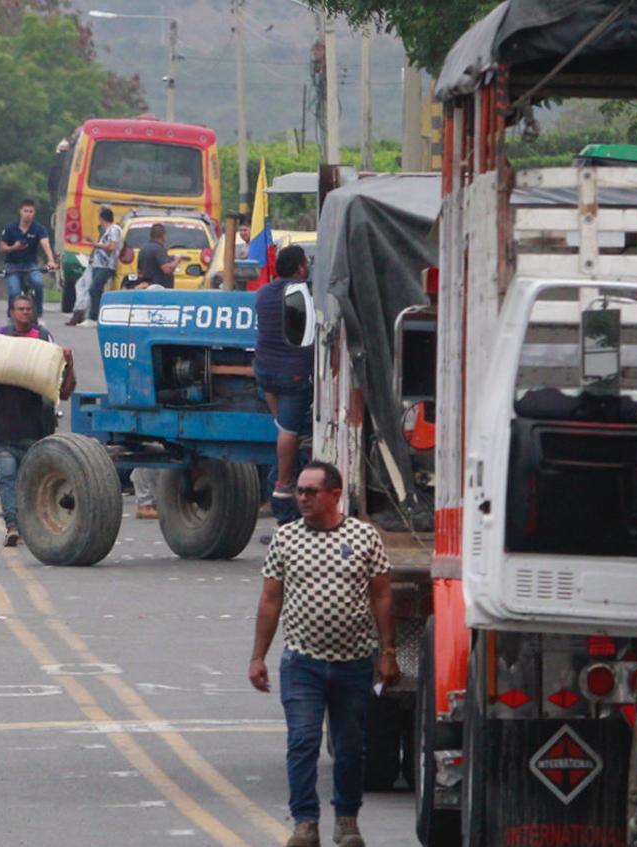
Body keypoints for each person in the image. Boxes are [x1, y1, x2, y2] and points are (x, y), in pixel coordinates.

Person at [248, 461, 396, 847]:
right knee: (302, 740)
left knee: (350, 746)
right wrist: (258, 657)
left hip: (354, 665)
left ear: (334, 495)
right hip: (302, 663)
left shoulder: (365, 537)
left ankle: (347, 820)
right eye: (300, 491)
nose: (302, 498)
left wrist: (388, 652)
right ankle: (305, 822)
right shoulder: (286, 539)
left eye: (311, 492)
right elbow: (270, 599)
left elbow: (381, 595)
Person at [0, 295, 74, 546]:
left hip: (35, 431)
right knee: (7, 482)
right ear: (11, 312)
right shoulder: (0, 338)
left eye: (28, 309)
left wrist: (70, 363)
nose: (24, 313)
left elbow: (63, 390)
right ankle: (12, 526)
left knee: (31, 485)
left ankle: (28, 527)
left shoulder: (43, 339)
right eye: (19, 309)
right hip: (3, 430)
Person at [256, 245, 315, 522]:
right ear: (300, 268)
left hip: (265, 374)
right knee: (289, 432)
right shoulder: (303, 292)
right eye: (306, 264)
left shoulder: (263, 293)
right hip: (292, 374)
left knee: (283, 426)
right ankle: (283, 485)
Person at [0, 199, 58, 319]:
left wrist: (51, 261)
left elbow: (45, 244)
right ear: (20, 211)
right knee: (14, 291)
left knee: (38, 283)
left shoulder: (39, 229)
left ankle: (39, 313)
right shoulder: (10, 228)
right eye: (25, 211)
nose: (28, 214)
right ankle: (12, 315)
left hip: (30, 265)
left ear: (34, 213)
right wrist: (14, 247)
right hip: (12, 265)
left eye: (31, 211)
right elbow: (2, 248)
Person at [81, 206, 122, 325]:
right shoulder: (106, 231)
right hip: (99, 264)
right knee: (97, 290)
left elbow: (112, 246)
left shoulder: (114, 230)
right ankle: (97, 315)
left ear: (102, 218)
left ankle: (94, 316)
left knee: (94, 288)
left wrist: (94, 244)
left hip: (107, 265)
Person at [137, 222, 180, 290]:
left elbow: (139, 271)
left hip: (147, 290)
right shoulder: (158, 249)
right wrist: (177, 260)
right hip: (159, 290)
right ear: (162, 235)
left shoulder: (143, 248)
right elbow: (167, 270)